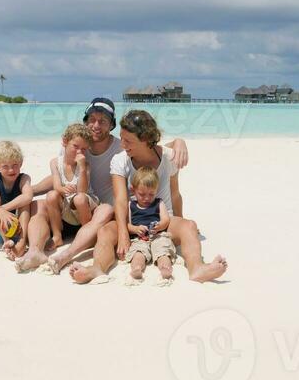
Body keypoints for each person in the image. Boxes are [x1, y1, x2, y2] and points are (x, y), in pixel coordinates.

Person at [20, 98, 189, 274]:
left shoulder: (122, 148)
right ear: (85, 121)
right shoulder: (77, 144)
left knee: (106, 209)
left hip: (96, 216)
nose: (96, 125)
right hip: (70, 210)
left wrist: (178, 142)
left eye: (103, 121)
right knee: (38, 205)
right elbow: (63, 176)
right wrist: (29, 192)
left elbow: (149, 146)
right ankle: (34, 251)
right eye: (91, 120)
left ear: (112, 125)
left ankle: (65, 256)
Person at [69, 110, 227, 284]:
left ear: (146, 139)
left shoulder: (168, 157)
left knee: (189, 225)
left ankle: (197, 268)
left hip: (163, 222)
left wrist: (181, 226)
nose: (122, 144)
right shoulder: (120, 160)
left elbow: (175, 194)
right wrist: (123, 234)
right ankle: (96, 268)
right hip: (131, 223)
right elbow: (120, 201)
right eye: (121, 138)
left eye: (128, 141)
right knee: (105, 231)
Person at [45, 123, 99, 251]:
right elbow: (56, 184)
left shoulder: (85, 165)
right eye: (75, 146)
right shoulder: (55, 163)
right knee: (51, 195)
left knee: (79, 198)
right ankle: (57, 236)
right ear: (65, 142)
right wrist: (61, 189)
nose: (79, 152)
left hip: (85, 203)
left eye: (84, 149)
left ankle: (87, 236)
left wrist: (81, 168)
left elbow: (82, 191)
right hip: (68, 204)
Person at [0, 140, 33, 260]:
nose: (11, 170)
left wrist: (3, 209)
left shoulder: (24, 178)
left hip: (19, 228)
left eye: (15, 165)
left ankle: (22, 242)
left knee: (25, 200)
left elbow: (28, 196)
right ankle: (6, 242)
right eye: (5, 166)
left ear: (21, 163)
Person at [125, 167, 175, 282]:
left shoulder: (159, 203)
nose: (147, 198)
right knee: (138, 253)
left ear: (156, 190)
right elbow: (126, 225)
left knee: (163, 251)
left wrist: (160, 226)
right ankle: (137, 268)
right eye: (142, 194)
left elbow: (166, 219)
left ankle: (165, 268)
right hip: (139, 238)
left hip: (158, 235)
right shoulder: (130, 205)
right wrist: (135, 229)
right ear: (133, 190)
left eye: (151, 194)